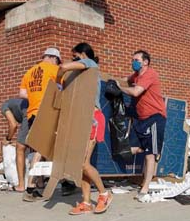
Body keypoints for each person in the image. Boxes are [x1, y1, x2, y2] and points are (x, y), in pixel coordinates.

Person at [63, 43, 112, 215]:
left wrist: (60, 70)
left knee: (83, 163)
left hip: (93, 120)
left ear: (83, 54)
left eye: (74, 55)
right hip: (81, 120)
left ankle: (105, 194)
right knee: (82, 164)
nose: (72, 58)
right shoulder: (80, 77)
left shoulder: (90, 64)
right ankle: (85, 202)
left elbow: (64, 67)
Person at [117, 50, 167, 203]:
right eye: (133, 59)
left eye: (136, 60)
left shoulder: (150, 74)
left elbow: (136, 91)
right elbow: (125, 79)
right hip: (140, 119)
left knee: (149, 154)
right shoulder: (136, 76)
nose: (134, 62)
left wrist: (119, 88)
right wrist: (110, 80)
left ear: (145, 62)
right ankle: (150, 163)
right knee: (130, 149)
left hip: (154, 118)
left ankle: (145, 188)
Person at [18, 47, 64, 199]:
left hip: (32, 113)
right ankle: (30, 186)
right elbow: (65, 88)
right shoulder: (54, 69)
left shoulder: (30, 71)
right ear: (54, 58)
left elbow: (22, 93)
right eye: (58, 61)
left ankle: (39, 184)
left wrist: (36, 97)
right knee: (41, 149)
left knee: (39, 148)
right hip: (46, 112)